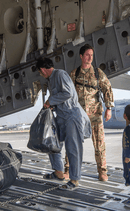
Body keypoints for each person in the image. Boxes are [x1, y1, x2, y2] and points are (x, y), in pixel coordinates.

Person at [34, 57, 91, 190]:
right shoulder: (51, 79)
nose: (41, 75)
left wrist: (50, 101)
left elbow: (68, 93)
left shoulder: (60, 74)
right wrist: (51, 106)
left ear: (42, 69)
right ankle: (58, 172)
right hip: (61, 116)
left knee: (73, 148)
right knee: (52, 143)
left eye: (40, 72)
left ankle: (74, 179)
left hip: (71, 116)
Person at [67, 44, 114, 181]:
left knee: (99, 144)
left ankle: (102, 172)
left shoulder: (98, 73)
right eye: (87, 54)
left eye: (91, 55)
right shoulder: (74, 74)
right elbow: (68, 93)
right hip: (78, 115)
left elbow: (107, 89)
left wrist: (109, 108)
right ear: (81, 56)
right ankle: (67, 169)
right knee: (72, 142)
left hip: (95, 115)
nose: (90, 57)